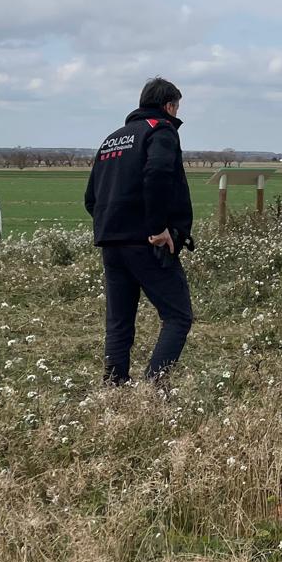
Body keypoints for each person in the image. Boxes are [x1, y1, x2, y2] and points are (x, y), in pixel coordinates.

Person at [84, 77, 196, 386]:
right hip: (148, 243)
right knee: (178, 316)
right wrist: (158, 228)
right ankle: (154, 387)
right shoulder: (161, 131)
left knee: (119, 322)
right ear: (168, 106)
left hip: (111, 242)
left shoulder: (112, 139)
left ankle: (115, 386)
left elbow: (91, 198)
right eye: (177, 107)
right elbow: (158, 173)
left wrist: (114, 224)